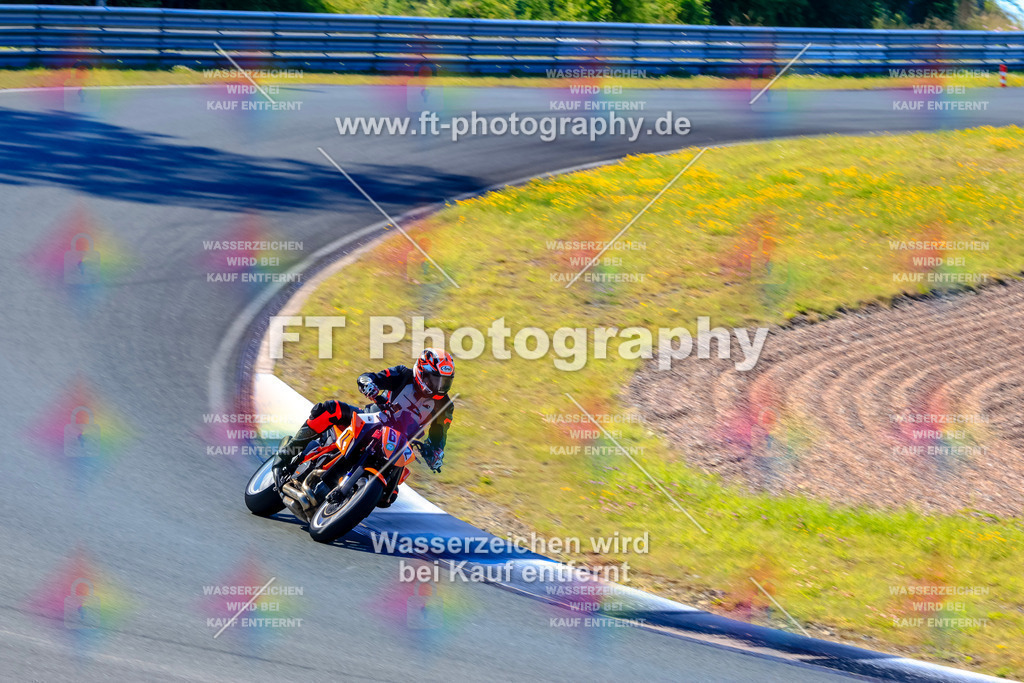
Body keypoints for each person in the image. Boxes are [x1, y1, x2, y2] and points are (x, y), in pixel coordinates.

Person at [276, 348, 455, 475]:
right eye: (435, 379)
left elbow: (439, 435)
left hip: (399, 444)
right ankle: (288, 452)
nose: (439, 386)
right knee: (329, 409)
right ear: (421, 371)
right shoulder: (403, 374)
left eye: (445, 382)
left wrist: (436, 452)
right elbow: (371, 377)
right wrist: (368, 384)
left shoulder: (445, 406)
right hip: (371, 419)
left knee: (389, 496)